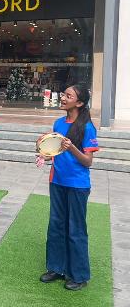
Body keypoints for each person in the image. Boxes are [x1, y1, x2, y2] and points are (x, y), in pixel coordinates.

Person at [37, 84, 99, 291]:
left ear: (79, 103)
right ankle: (56, 268)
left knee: (76, 229)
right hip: (57, 181)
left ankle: (79, 275)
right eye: (63, 94)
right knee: (56, 226)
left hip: (77, 185)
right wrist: (44, 155)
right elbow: (55, 151)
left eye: (68, 95)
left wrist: (71, 147)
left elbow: (87, 162)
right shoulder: (58, 122)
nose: (63, 97)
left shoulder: (87, 127)